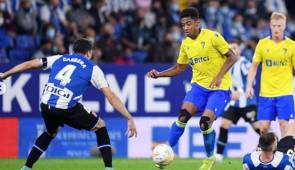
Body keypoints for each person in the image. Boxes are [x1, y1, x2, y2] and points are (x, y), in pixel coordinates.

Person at [0, 38, 137, 170]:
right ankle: (108, 168)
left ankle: (26, 167)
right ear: (89, 53)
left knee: (49, 132)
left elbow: (29, 64)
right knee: (100, 126)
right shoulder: (93, 68)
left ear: (74, 50)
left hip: (45, 104)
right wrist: (129, 118)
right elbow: (111, 96)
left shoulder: (59, 58)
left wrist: (5, 74)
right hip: (65, 106)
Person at [147, 7, 238, 170]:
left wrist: (219, 76)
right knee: (183, 116)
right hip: (199, 87)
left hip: (220, 89)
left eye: (189, 23)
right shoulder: (186, 44)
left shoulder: (213, 37)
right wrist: (158, 74)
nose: (185, 27)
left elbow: (233, 56)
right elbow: (179, 68)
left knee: (204, 123)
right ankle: (167, 151)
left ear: (197, 22)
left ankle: (209, 158)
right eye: (183, 25)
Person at [246, 12, 295, 136]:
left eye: (279, 26)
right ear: (270, 25)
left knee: (284, 125)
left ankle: (285, 154)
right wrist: (249, 86)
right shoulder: (262, 44)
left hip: (285, 93)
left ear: (285, 26)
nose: (276, 29)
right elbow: (253, 67)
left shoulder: (292, 45)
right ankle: (270, 152)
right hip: (266, 93)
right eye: (274, 25)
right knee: (263, 128)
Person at [216, 42, 260, 162]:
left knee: (260, 129)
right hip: (234, 103)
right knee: (224, 124)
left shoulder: (244, 63)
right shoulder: (226, 65)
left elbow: (252, 80)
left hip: (247, 102)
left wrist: (242, 91)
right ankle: (219, 155)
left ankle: (273, 144)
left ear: (239, 50)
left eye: (235, 48)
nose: (233, 50)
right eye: (230, 48)